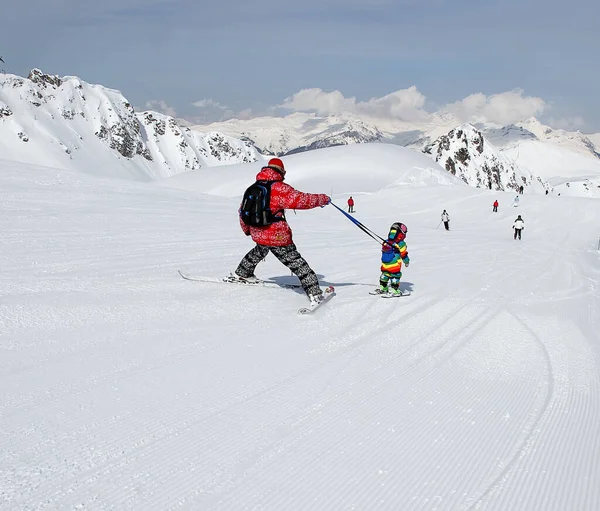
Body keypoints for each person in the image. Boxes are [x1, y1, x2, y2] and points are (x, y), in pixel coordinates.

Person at [232, 158, 331, 305]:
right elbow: (302, 200)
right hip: (276, 235)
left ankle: (242, 273)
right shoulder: (279, 188)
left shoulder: (253, 187)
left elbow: (242, 211)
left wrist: (248, 230)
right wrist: (323, 199)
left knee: (260, 250)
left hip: (258, 232)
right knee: (295, 261)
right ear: (281, 172)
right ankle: (315, 293)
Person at [378, 222, 410, 296]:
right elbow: (403, 254)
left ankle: (383, 287)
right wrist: (406, 261)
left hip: (385, 264)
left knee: (385, 274)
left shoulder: (386, 241)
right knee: (395, 275)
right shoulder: (401, 243)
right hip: (394, 264)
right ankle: (394, 289)